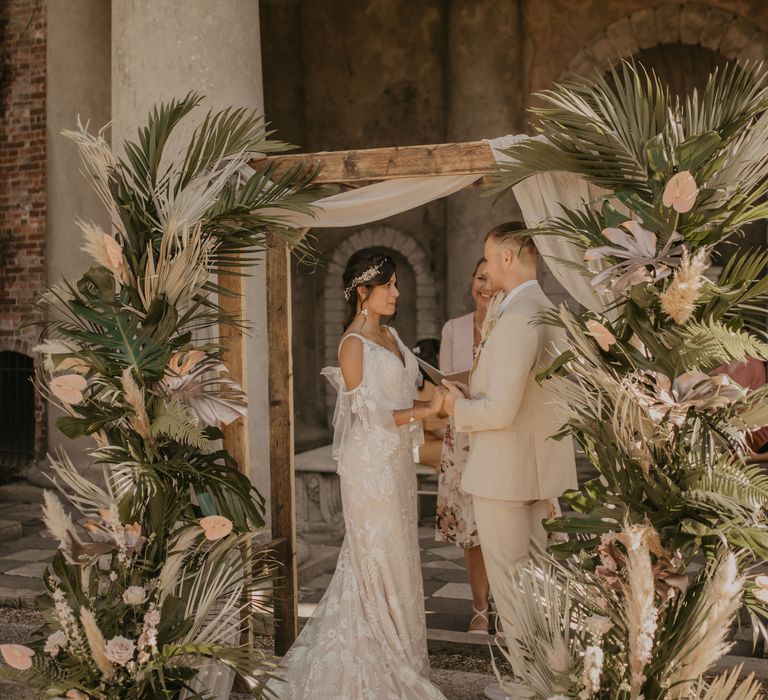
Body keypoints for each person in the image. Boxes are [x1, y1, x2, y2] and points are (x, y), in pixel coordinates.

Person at [270, 250, 448, 699]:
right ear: (363, 292)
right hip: (369, 467)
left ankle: (403, 655)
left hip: (395, 464)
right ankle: (380, 656)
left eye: (396, 285)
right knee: (377, 557)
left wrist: (456, 386)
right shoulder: (352, 345)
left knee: (401, 552)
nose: (396, 292)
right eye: (387, 285)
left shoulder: (391, 334)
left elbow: (422, 379)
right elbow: (369, 417)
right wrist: (428, 409)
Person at [442, 223, 577, 652]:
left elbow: (500, 411)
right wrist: (474, 392)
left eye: (488, 256)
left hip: (505, 477)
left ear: (507, 257)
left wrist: (455, 408)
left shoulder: (518, 318)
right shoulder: (548, 309)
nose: (485, 268)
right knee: (536, 584)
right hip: (537, 470)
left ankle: (523, 683)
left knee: (515, 588)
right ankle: (544, 679)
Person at [435, 258, 494, 633]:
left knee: (504, 527)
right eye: (480, 277)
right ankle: (479, 609)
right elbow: (444, 386)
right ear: (471, 280)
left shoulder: (511, 324)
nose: (485, 285)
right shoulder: (454, 328)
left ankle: (508, 607)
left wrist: (471, 385)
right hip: (463, 439)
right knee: (472, 530)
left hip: (498, 433)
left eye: (492, 278)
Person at [413, 338, 448, 469]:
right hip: (418, 446)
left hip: (426, 443)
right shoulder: (434, 389)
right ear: (437, 356)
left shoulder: (421, 386)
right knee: (456, 450)